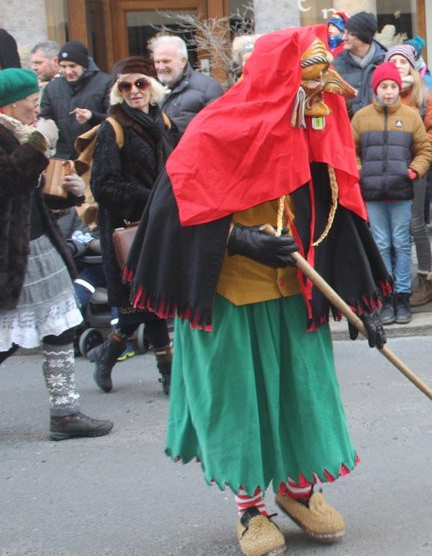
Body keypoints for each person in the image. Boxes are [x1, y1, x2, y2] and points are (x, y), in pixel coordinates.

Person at [126, 29, 390, 556]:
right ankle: (251, 508)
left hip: (295, 295)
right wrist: (240, 240)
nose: (323, 99)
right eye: (312, 85)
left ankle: (297, 491)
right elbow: (172, 213)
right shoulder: (215, 128)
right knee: (238, 404)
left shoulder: (312, 133)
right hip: (228, 299)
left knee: (302, 399)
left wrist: (364, 304)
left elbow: (336, 221)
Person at [0, 67, 114, 440]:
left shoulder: (17, 132)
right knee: (12, 335)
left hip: (34, 245)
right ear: (11, 103)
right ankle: (64, 415)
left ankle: (64, 414)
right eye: (32, 103)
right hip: (12, 253)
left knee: (60, 325)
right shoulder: (16, 136)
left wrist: (70, 192)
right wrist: (36, 144)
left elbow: (29, 195)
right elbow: (9, 182)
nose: (37, 110)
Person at [86, 57, 178, 394]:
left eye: (140, 83)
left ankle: (107, 354)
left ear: (152, 86)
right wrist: (152, 198)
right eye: (125, 86)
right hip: (126, 228)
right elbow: (103, 185)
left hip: (160, 222)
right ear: (117, 91)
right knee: (146, 299)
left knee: (148, 300)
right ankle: (168, 373)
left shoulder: (165, 123)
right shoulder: (113, 127)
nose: (133, 91)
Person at [351, 61, 432, 326]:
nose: (388, 92)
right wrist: (361, 172)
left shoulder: (410, 116)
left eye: (393, 86)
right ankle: (385, 296)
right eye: (384, 86)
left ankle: (402, 296)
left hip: (400, 192)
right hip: (372, 193)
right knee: (381, 244)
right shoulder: (362, 117)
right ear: (376, 88)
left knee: (401, 243)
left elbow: (424, 150)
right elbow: (352, 151)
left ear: (400, 89)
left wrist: (413, 171)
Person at [385, 44, 432, 308]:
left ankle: (425, 280)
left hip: (414, 170)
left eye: (403, 61)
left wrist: (419, 155)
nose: (398, 65)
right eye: (393, 61)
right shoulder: (381, 94)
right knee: (387, 230)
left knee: (415, 225)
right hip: (384, 171)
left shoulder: (423, 95)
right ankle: (394, 284)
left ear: (411, 66)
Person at [38, 40, 113, 159]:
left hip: (96, 156)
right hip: (63, 157)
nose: (68, 71)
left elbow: (114, 119)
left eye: (72, 66)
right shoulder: (52, 87)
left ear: (84, 65)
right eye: (63, 66)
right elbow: (45, 118)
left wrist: (92, 116)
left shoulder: (105, 83)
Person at [152, 34, 224, 134]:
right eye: (157, 62)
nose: (160, 67)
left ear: (183, 61)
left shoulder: (208, 88)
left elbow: (216, 128)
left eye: (166, 61)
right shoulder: (152, 91)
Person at [331, 11, 386, 116]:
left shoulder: (385, 62)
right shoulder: (337, 65)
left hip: (379, 130)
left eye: (350, 33)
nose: (344, 37)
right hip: (349, 130)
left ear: (364, 35)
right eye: (344, 32)